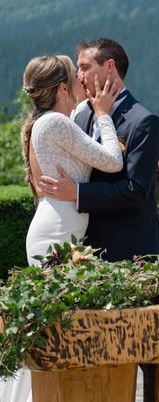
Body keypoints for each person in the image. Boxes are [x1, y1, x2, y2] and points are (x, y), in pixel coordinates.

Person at [0, 54, 123, 402]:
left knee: (44, 325)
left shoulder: (49, 121)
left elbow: (76, 116)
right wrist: (102, 114)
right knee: (46, 326)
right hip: (56, 236)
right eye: (75, 79)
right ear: (62, 88)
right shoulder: (56, 124)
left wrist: (90, 105)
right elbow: (113, 162)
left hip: (55, 229)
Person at [38, 38, 159, 261]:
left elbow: (135, 190)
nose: (78, 75)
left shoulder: (144, 121)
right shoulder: (81, 114)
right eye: (78, 68)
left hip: (129, 249)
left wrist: (77, 193)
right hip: (85, 248)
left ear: (109, 67)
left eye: (85, 67)